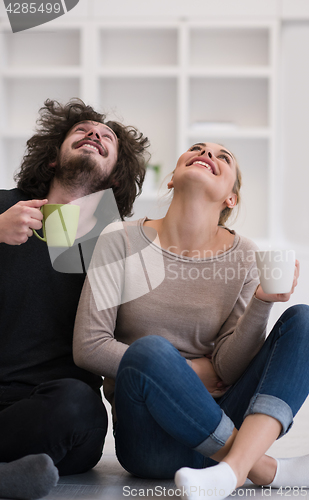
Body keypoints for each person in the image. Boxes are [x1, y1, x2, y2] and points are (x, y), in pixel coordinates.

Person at [73, 142, 309, 500]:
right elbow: (89, 345)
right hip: (149, 441)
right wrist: (188, 372)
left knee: (307, 320)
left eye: (222, 157)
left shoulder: (246, 255)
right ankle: (261, 467)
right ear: (170, 180)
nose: (207, 154)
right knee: (150, 351)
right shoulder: (120, 240)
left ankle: (232, 470)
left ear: (231, 199)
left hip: (220, 413)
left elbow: (227, 366)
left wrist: (261, 302)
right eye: (197, 149)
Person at [0, 98, 149, 499]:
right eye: (81, 131)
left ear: (116, 177)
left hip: (53, 408)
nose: (94, 135)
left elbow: (143, 335)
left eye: (107, 138)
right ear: (52, 159)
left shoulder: (121, 244)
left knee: (78, 405)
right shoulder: (3, 206)